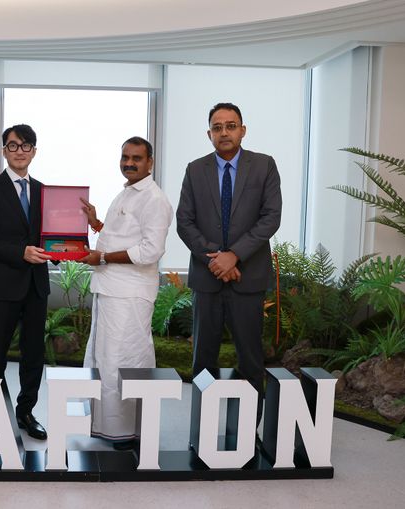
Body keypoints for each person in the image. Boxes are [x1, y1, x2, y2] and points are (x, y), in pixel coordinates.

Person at [176, 102, 282, 425]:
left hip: (247, 279)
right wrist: (216, 259)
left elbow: (271, 217)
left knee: (250, 361)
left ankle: (246, 434)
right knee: (202, 362)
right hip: (207, 280)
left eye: (231, 126)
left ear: (242, 130)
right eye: (217, 127)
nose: (224, 132)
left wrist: (234, 255)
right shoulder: (195, 170)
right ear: (209, 134)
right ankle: (203, 432)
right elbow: (184, 222)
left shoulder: (264, 166)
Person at [79, 136, 173, 450]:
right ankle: (107, 427)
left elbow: (150, 250)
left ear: (150, 162)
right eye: (125, 157)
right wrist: (96, 223)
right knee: (105, 361)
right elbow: (122, 237)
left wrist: (103, 257)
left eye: (136, 158)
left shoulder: (154, 199)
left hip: (129, 296)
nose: (129, 163)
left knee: (124, 360)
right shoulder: (127, 193)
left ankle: (126, 432)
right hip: (110, 290)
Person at [0, 124, 50, 440]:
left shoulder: (45, 191)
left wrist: (64, 248)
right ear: (4, 151)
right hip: (3, 285)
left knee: (34, 356)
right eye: (13, 145)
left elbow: (52, 237)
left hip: (36, 286)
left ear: (34, 151)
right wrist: (21, 252)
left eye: (26, 145)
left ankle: (26, 412)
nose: (20, 151)